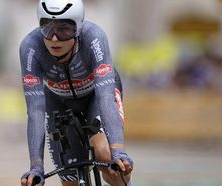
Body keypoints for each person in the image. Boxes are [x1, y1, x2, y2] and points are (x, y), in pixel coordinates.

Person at [19, 0, 133, 185]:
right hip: (59, 103)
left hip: (96, 95)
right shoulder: (30, 48)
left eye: (64, 29)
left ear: (78, 28)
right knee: (70, 180)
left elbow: (105, 97)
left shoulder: (94, 37)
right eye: (47, 28)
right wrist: (36, 167)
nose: (54, 38)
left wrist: (118, 152)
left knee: (106, 155)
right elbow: (35, 111)